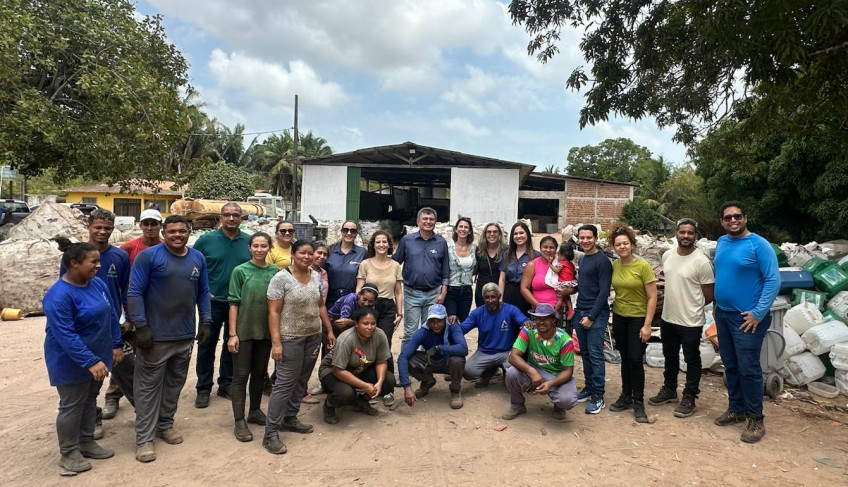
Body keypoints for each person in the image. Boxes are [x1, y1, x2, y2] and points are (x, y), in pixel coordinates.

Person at [127, 215, 212, 463]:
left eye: (182, 231)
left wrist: (206, 321)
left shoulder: (197, 258)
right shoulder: (149, 256)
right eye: (172, 231)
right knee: (147, 388)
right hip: (155, 337)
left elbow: (203, 291)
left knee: (174, 384)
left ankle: (165, 424)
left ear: (189, 231)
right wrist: (141, 326)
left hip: (184, 335)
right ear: (163, 232)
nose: (177, 235)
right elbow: (134, 292)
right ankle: (144, 438)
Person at [44, 241, 124, 473]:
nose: (99, 266)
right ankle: (68, 453)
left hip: (98, 357)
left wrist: (116, 343)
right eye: (94, 262)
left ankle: (86, 441)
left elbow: (111, 313)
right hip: (70, 360)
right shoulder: (58, 295)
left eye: (99, 261)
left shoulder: (97, 283)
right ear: (74, 263)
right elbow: (65, 334)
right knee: (71, 405)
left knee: (90, 400)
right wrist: (90, 361)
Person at [712, 201, 779, 443]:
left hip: (747, 319)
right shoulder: (721, 242)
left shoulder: (759, 245)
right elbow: (722, 275)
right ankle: (736, 409)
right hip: (723, 314)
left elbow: (773, 280)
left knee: (748, 368)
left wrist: (758, 313)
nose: (733, 220)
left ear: (745, 218)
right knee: (730, 365)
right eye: (728, 217)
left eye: (737, 216)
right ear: (721, 221)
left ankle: (755, 418)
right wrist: (716, 306)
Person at [264, 239, 336, 455]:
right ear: (293, 254)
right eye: (302, 253)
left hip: (312, 337)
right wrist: (276, 343)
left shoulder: (315, 276)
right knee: (284, 383)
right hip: (289, 338)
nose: (307, 257)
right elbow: (274, 312)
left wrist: (328, 330)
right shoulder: (281, 279)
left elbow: (320, 305)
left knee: (302, 379)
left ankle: (290, 418)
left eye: (310, 253)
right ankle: (271, 433)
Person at [61, 209, 134, 423]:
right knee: (89, 375)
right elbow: (65, 289)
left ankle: (146, 418)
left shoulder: (119, 256)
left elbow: (126, 289)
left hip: (114, 326)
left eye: (107, 228)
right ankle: (93, 422)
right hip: (85, 328)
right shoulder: (74, 256)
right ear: (89, 227)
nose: (102, 232)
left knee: (127, 371)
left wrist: (128, 318)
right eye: (98, 227)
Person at [649, 218, 715, 418]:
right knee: (669, 356)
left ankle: (690, 396)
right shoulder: (668, 255)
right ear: (676, 234)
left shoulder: (701, 261)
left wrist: (692, 308)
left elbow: (709, 295)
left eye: (690, 233)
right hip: (668, 318)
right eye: (682, 232)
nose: (686, 236)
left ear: (696, 236)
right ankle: (669, 390)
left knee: (691, 359)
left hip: (691, 321)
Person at [192, 203, 252, 408]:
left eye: (236, 215)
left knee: (233, 345)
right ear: (220, 217)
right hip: (212, 302)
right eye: (227, 215)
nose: (231, 218)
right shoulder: (206, 240)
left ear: (242, 218)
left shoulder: (249, 241)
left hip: (239, 303)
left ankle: (226, 384)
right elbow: (192, 266)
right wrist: (200, 291)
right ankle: (203, 388)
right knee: (206, 344)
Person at [227, 232, 278, 442]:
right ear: (250, 248)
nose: (259, 250)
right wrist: (232, 334)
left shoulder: (275, 272)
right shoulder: (240, 271)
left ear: (269, 248)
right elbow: (233, 302)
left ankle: (255, 411)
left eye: (263, 246)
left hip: (265, 332)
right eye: (255, 246)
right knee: (240, 375)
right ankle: (239, 420)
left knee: (259, 374)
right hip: (244, 331)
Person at [606, 224, 657, 423]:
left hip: (638, 318)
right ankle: (626, 396)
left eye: (625, 243)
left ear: (632, 244)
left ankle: (638, 402)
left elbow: (652, 297)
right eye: (618, 244)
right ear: (613, 247)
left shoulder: (643, 266)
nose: (622, 247)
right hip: (619, 317)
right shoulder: (615, 265)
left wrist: (647, 325)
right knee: (625, 359)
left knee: (636, 360)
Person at [501, 303, 578, 421]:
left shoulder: (565, 340)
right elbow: (513, 356)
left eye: (546, 318)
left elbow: (568, 371)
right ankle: (517, 405)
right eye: (538, 318)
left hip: (556, 375)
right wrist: (531, 371)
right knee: (511, 373)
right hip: (534, 369)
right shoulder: (529, 330)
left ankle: (558, 406)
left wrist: (550, 384)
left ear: (553, 320)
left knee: (567, 400)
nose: (541, 322)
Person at [319, 307, 395, 423]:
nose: (369, 327)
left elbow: (381, 361)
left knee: (388, 381)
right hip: (333, 371)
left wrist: (379, 383)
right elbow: (338, 370)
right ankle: (329, 405)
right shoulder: (346, 339)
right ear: (356, 324)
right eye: (365, 323)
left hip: (358, 369)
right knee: (346, 393)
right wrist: (364, 385)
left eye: (373, 323)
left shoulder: (380, 335)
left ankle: (361, 401)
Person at [356, 230, 403, 405]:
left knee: (384, 344)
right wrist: (358, 311)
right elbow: (358, 289)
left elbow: (398, 291)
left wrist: (400, 313)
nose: (381, 245)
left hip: (388, 308)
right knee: (366, 344)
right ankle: (367, 383)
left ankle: (387, 388)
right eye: (378, 242)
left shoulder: (396, 265)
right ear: (373, 245)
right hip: (369, 305)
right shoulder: (365, 264)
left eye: (385, 242)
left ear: (389, 245)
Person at [393, 208, 450, 345]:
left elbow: (445, 269)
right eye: (425, 219)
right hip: (412, 293)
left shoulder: (441, 243)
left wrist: (443, 292)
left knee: (430, 331)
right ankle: (406, 363)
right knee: (410, 332)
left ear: (435, 222)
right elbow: (394, 263)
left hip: (433, 294)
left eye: (431, 219)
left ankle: (425, 363)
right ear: (418, 221)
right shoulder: (407, 240)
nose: (428, 222)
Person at [572, 224, 612, 415]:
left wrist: (591, 316)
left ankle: (598, 395)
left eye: (589, 237)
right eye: (582, 238)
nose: (585, 241)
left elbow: (604, 292)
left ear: (595, 238)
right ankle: (588, 388)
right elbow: (584, 286)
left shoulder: (602, 261)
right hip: (580, 312)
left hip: (595, 314)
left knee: (596, 354)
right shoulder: (585, 259)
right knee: (585, 353)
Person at [398, 304, 468, 409]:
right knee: (409, 359)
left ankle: (455, 391)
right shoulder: (422, 332)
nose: (435, 325)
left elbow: (463, 348)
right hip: (430, 361)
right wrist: (407, 387)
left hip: (448, 362)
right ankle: (427, 380)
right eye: (432, 321)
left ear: (445, 319)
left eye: (439, 321)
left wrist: (439, 348)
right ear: (428, 321)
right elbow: (402, 357)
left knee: (457, 360)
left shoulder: (453, 327)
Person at [460, 283, 530, 387]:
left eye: (493, 297)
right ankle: (489, 371)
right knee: (468, 372)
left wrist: (526, 323)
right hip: (484, 352)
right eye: (487, 297)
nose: (490, 300)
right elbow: (462, 329)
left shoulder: (510, 309)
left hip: (506, 352)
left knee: (514, 373)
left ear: (499, 296)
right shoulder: (478, 313)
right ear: (483, 298)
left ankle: (506, 374)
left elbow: (524, 321)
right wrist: (451, 324)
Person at [498, 221, 538, 315]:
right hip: (509, 293)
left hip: (526, 296)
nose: (518, 236)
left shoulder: (535, 256)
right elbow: (502, 279)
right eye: (515, 234)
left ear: (527, 234)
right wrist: (500, 300)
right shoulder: (507, 254)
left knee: (525, 325)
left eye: (521, 233)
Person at [325, 220, 367, 307]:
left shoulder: (362, 253)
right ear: (341, 232)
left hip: (351, 298)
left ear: (356, 234)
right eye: (345, 230)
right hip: (330, 299)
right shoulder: (330, 250)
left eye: (353, 231)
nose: (349, 233)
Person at [445, 217, 476, 325]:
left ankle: (458, 342)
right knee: (451, 321)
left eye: (466, 227)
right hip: (451, 290)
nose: (463, 229)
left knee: (462, 324)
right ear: (456, 229)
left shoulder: (474, 248)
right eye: (460, 226)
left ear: (470, 231)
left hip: (467, 291)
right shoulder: (448, 247)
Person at [520, 235, 560, 310]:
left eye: (551, 247)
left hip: (559, 308)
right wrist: (539, 306)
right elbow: (524, 288)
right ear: (540, 249)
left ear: (556, 250)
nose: (548, 250)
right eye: (545, 247)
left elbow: (572, 284)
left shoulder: (561, 264)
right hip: (539, 309)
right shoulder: (532, 265)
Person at [474, 223, 507, 308]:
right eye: (489, 232)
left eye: (495, 232)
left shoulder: (506, 250)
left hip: (500, 291)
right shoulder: (479, 251)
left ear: (499, 234)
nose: (492, 234)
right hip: (482, 291)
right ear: (485, 234)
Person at [550, 242, 578, 320]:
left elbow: (557, 270)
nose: (558, 257)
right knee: (567, 297)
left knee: (560, 298)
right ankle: (570, 310)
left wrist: (550, 264)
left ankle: (555, 311)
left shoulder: (561, 263)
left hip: (563, 283)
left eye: (558, 255)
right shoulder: (571, 264)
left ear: (562, 255)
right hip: (571, 283)